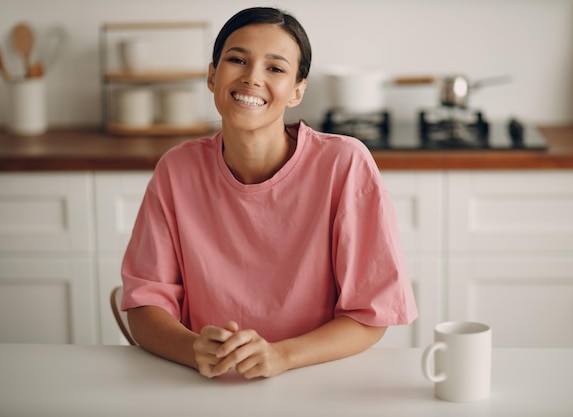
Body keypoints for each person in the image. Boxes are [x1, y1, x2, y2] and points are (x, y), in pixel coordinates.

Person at [121, 6, 417, 380]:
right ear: (213, 76)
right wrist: (192, 349)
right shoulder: (176, 170)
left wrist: (282, 356)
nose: (252, 78)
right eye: (237, 60)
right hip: (208, 386)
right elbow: (143, 306)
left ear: (297, 91)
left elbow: (372, 315)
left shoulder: (345, 165)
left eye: (274, 68)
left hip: (315, 378)